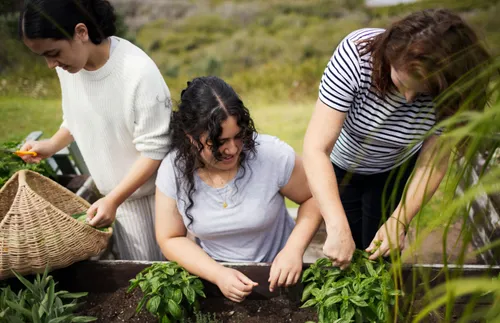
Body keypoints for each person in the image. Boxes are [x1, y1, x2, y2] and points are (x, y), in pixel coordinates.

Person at [302, 9, 491, 269]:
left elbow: (434, 162)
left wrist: (399, 221)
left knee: (382, 251)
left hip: (394, 168)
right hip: (341, 166)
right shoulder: (356, 56)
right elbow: (316, 148)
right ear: (388, 57)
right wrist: (335, 225)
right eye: (402, 82)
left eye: (425, 89)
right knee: (348, 243)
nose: (409, 98)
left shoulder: (455, 86)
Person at [18, 0, 171, 260]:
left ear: (81, 32)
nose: (51, 64)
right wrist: (52, 144)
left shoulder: (137, 73)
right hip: (116, 199)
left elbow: (154, 151)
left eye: (53, 53)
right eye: (44, 56)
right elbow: (78, 116)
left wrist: (114, 199)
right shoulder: (71, 68)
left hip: (152, 200)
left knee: (156, 279)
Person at [155, 76, 323, 303]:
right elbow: (170, 238)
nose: (232, 149)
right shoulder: (174, 170)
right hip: (214, 280)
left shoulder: (271, 155)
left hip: (281, 278)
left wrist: (293, 250)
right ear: (191, 138)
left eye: (238, 137)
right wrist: (218, 274)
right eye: (219, 142)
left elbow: (314, 197)